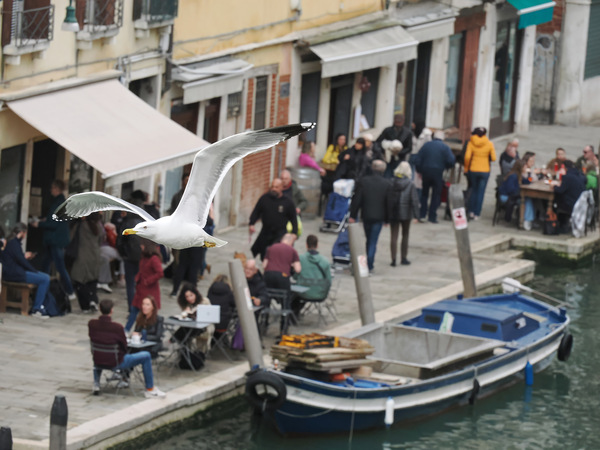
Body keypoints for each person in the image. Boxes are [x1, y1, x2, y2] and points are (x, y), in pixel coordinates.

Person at [88, 299, 166, 398]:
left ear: (99, 309)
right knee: (146, 356)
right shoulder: (117, 327)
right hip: (116, 362)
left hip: (98, 361)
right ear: (112, 311)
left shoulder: (92, 324)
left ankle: (97, 383)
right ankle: (150, 389)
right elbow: (123, 344)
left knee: (100, 353)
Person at [34, 180, 76, 302]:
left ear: (57, 189)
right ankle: (43, 289)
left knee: (59, 266)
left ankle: (69, 290)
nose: (51, 190)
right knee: (46, 264)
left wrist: (39, 224)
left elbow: (53, 224)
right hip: (55, 239)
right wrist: (45, 220)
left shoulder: (58, 203)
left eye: (52, 188)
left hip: (55, 240)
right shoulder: (62, 202)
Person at [0, 223, 51, 318]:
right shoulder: (13, 243)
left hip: (14, 272)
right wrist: (34, 271)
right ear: (22, 232)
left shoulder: (11, 242)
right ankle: (37, 308)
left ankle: (39, 306)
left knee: (44, 277)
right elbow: (22, 261)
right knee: (45, 279)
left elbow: (17, 258)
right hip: (15, 274)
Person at [349, 159, 390, 273]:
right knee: (373, 240)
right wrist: (387, 219)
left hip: (366, 214)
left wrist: (353, 214)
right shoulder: (386, 183)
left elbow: (357, 199)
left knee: (368, 239)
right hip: (379, 216)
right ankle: (370, 264)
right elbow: (388, 203)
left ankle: (368, 262)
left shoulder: (364, 181)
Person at [249, 178, 297, 261]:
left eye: (276, 187)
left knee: (274, 255)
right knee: (260, 253)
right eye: (272, 187)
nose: (274, 189)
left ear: (282, 187)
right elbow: (256, 211)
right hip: (265, 232)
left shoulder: (288, 202)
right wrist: (251, 223)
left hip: (280, 234)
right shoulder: (264, 198)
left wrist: (294, 233)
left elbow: (293, 219)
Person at [414, 130, 455, 224]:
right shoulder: (445, 147)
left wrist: (420, 170)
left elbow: (418, 158)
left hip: (426, 171)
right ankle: (432, 216)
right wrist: (446, 166)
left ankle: (422, 214)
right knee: (436, 194)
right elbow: (451, 160)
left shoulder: (426, 145)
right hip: (438, 172)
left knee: (425, 193)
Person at [386, 162, 420, 266]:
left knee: (393, 236)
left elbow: (387, 199)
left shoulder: (391, 182)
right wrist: (416, 215)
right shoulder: (410, 184)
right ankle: (404, 257)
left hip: (393, 212)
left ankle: (393, 259)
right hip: (406, 212)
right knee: (405, 235)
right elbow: (414, 200)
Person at [126, 239, 163, 332]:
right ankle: (127, 330)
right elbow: (142, 270)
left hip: (149, 291)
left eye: (142, 245)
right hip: (140, 289)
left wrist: (148, 281)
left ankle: (140, 332)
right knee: (134, 310)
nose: (140, 247)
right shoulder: (144, 257)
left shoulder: (154, 259)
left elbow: (160, 273)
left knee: (146, 314)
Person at [71, 213, 103, 313]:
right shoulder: (99, 226)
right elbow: (101, 239)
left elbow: (71, 237)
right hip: (95, 256)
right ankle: (93, 300)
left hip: (82, 256)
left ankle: (85, 305)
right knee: (92, 279)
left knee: (79, 280)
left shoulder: (81, 226)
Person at [116, 195, 143, 314]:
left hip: (129, 257)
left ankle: (132, 308)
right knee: (140, 283)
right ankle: (141, 307)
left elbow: (119, 242)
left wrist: (124, 254)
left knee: (130, 284)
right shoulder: (144, 222)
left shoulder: (126, 223)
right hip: (143, 258)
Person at [464, 127, 496, 220]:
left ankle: (471, 212)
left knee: (473, 190)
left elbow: (467, 157)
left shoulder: (471, 143)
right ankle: (477, 213)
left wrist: (466, 168)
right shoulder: (489, 143)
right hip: (485, 170)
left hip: (473, 169)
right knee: (480, 192)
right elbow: (493, 158)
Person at [175, 283, 214, 352]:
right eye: (187, 297)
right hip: (190, 326)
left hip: (204, 326)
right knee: (185, 329)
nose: (189, 298)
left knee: (185, 331)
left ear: (195, 294)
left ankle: (174, 340)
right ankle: (183, 351)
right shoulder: (186, 304)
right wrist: (186, 313)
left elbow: (210, 316)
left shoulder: (204, 301)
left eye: (191, 295)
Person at [498, 160, 535, 229]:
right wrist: (520, 191)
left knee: (528, 199)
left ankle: (527, 219)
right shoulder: (513, 176)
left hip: (513, 195)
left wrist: (529, 175)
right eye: (525, 167)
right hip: (506, 196)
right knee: (527, 200)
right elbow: (510, 190)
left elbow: (528, 182)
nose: (526, 168)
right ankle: (527, 220)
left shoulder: (519, 175)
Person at [294, 234, 332, 302]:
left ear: (306, 245)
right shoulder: (325, 261)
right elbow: (329, 280)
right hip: (320, 295)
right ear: (317, 245)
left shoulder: (300, 259)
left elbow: (295, 276)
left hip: (303, 294)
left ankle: (294, 311)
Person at [554, 160, 586, 232]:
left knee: (555, 200)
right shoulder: (580, 175)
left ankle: (559, 223)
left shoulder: (567, 177)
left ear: (564, 168)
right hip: (580, 202)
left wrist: (554, 186)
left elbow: (560, 190)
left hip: (571, 204)